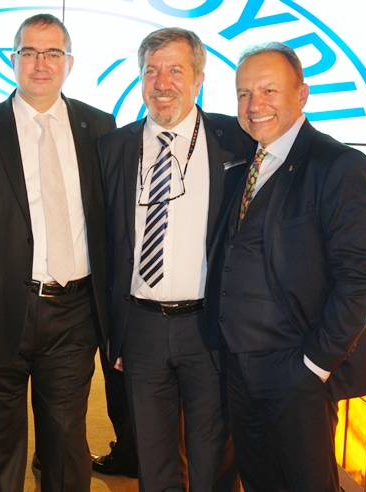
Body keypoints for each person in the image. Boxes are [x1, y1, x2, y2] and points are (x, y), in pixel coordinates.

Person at [0, 13, 116, 492]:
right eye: (30, 52)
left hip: (75, 313)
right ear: (13, 59)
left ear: (69, 63)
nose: (41, 63)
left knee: (66, 439)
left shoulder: (99, 127)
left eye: (52, 53)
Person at [206, 42, 366, 491]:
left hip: (296, 371)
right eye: (244, 94)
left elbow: (360, 275)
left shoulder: (337, 164)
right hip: (240, 369)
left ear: (301, 95)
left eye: (269, 90)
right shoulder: (247, 162)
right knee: (259, 480)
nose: (254, 105)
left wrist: (315, 365)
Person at [99, 27, 251, 491]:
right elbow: (104, 245)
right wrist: (114, 335)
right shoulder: (112, 148)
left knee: (213, 458)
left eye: (175, 71)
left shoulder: (237, 141)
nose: (162, 83)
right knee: (153, 458)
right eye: (151, 71)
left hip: (209, 327)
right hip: (141, 328)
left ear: (199, 79)